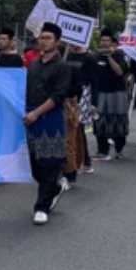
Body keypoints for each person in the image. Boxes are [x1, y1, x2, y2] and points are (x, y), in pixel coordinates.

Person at [23, 22, 72, 225]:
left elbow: (58, 96)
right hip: (31, 120)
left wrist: (37, 113)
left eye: (48, 38)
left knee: (49, 163)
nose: (43, 41)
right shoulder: (33, 64)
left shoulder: (62, 67)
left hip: (49, 120)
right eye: (41, 37)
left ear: (57, 42)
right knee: (35, 166)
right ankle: (54, 188)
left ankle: (41, 207)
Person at [92, 29, 130, 160]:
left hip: (117, 93)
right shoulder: (95, 56)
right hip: (100, 93)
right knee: (99, 121)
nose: (104, 43)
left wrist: (109, 57)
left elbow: (120, 72)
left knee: (118, 121)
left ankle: (119, 149)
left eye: (107, 40)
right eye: (102, 40)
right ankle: (102, 150)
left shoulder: (119, 55)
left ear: (112, 43)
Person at [60, 44, 89, 189]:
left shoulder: (75, 67)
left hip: (69, 104)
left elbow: (78, 88)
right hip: (52, 105)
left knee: (69, 141)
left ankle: (69, 174)